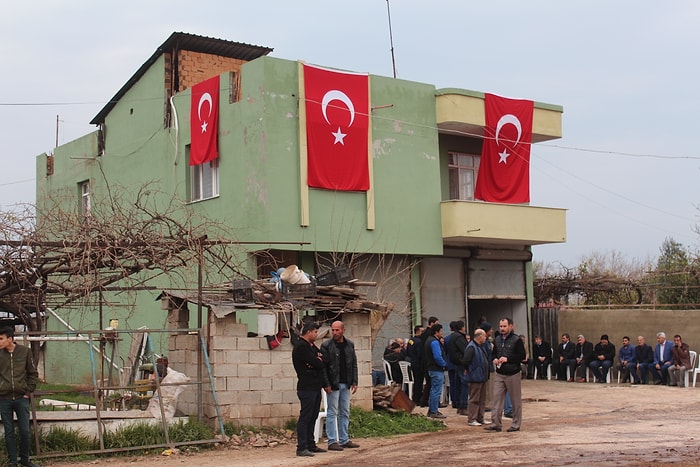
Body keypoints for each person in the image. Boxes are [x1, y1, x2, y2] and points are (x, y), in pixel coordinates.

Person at [0, 327, 40, 467]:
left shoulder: (24, 352)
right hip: (4, 399)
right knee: (9, 431)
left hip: (21, 398)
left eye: (1, 339)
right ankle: (12, 461)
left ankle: (25, 459)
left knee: (25, 431)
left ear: (10, 339)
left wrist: (28, 392)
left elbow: (33, 374)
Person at [292, 322, 331, 457]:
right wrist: (317, 361)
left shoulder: (311, 346)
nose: (316, 334)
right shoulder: (301, 347)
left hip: (315, 386)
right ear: (308, 332)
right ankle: (301, 447)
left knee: (313, 416)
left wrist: (318, 360)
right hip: (306, 386)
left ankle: (310, 444)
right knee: (306, 417)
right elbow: (317, 363)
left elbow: (323, 359)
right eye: (315, 332)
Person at [320, 321, 360, 451]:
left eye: (337, 330)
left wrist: (354, 381)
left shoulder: (350, 345)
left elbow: (353, 363)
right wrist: (326, 384)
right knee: (332, 412)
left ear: (343, 330)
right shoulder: (326, 345)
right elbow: (324, 367)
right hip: (333, 383)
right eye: (333, 330)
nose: (335, 333)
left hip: (346, 382)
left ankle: (344, 439)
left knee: (345, 411)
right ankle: (332, 441)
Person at [484, 317, 525, 433]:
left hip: (513, 373)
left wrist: (508, 359)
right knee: (496, 399)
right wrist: (495, 359)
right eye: (501, 326)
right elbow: (494, 354)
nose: (502, 328)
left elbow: (521, 356)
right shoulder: (497, 340)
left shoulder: (517, 340)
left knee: (515, 400)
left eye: (504, 326)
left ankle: (516, 424)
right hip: (500, 373)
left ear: (511, 326)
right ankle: (496, 423)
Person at [461, 328, 489, 426]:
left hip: (482, 377)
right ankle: (472, 418)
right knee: (474, 399)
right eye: (485, 336)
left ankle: (480, 418)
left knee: (482, 399)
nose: (486, 338)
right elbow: (465, 361)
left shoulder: (480, 346)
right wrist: (470, 371)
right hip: (475, 377)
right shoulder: (471, 347)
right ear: (480, 336)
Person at [424, 323, 448, 419]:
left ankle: (432, 410)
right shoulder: (434, 342)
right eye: (441, 331)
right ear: (436, 332)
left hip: (431, 368)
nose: (442, 333)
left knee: (434, 390)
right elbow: (437, 357)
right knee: (436, 391)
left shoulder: (428, 340)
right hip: (436, 369)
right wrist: (444, 364)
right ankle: (433, 411)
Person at [447, 320, 469, 415]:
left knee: (458, 384)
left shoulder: (452, 337)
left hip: (455, 363)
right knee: (464, 385)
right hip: (461, 363)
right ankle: (463, 406)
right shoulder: (459, 337)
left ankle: (458, 405)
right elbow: (465, 350)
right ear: (462, 327)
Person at [418, 317, 440, 407]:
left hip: (425, 361)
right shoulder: (430, 337)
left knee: (429, 383)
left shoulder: (424, 334)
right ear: (432, 323)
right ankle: (432, 403)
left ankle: (424, 401)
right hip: (429, 362)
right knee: (432, 384)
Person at [406, 325, 425, 404]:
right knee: (419, 382)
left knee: (417, 382)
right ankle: (417, 399)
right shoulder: (419, 341)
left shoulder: (411, 340)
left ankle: (415, 398)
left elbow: (408, 352)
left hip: (413, 363)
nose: (423, 333)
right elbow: (420, 354)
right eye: (422, 331)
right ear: (417, 331)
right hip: (418, 364)